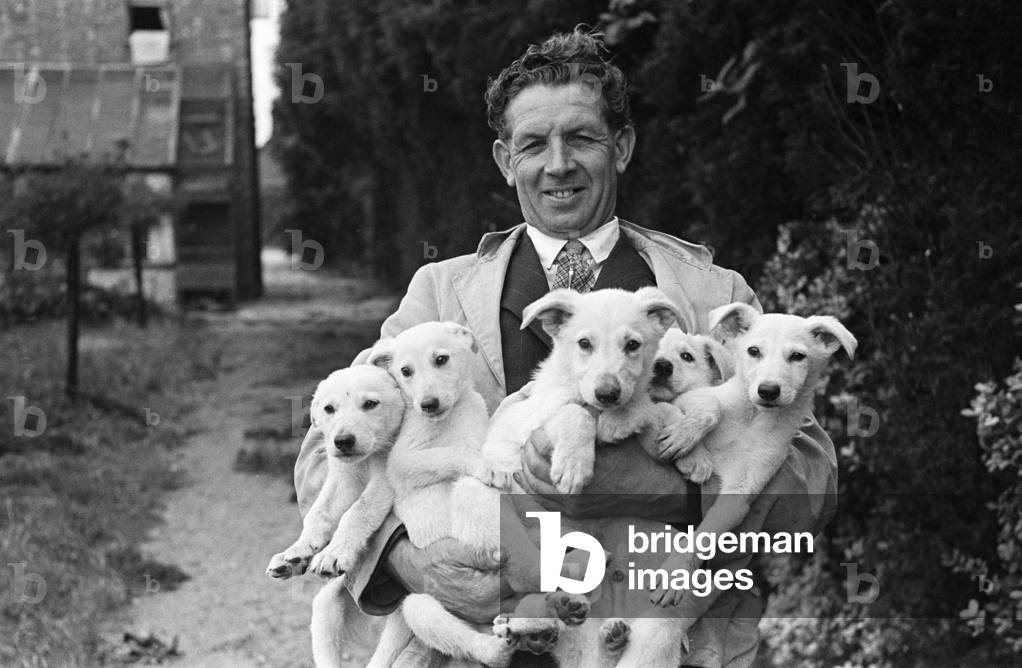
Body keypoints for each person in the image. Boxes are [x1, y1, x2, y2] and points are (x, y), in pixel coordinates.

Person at [294, 28, 836, 668]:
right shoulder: (441, 295)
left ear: (622, 147)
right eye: (532, 144)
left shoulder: (709, 293)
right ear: (504, 160)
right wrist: (410, 560)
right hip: (481, 641)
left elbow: (814, 481)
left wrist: (675, 493)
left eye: (581, 138)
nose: (558, 164)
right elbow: (325, 456)